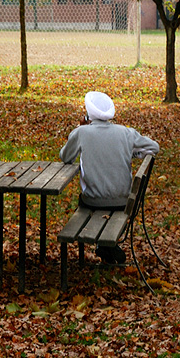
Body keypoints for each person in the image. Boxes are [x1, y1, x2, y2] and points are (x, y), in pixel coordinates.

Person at [59, 90, 159, 265]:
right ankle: (105, 248)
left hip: (92, 202)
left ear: (88, 114)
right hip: (123, 202)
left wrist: (79, 129)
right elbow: (154, 147)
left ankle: (105, 247)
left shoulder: (82, 133)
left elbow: (65, 157)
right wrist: (132, 152)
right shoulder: (126, 133)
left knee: (83, 200)